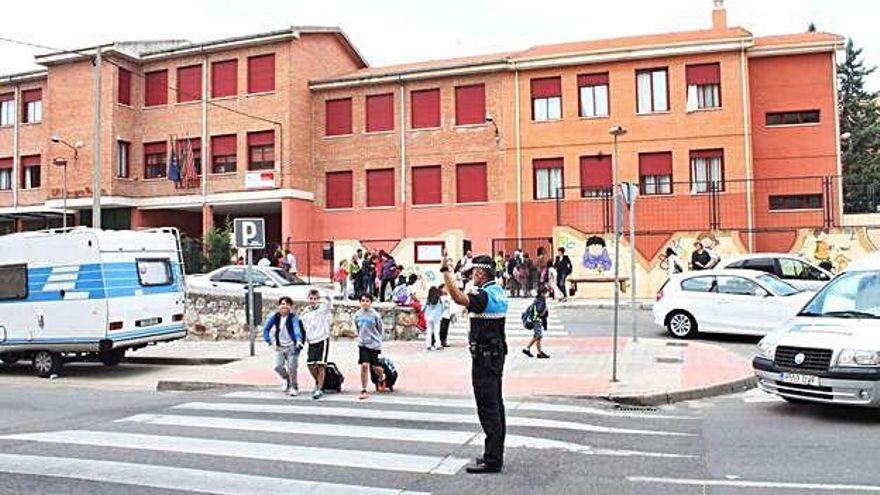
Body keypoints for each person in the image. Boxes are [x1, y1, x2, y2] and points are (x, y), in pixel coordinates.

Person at [441, 253, 508, 474]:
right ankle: (494, 454)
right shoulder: (498, 291)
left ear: (480, 273)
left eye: (473, 273)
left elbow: (458, 297)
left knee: (488, 407)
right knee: (497, 405)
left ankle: (492, 460)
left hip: (485, 358)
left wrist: (445, 272)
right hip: (496, 354)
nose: (472, 276)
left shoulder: (483, 295)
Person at [262, 296, 306, 396]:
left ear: (290, 307)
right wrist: (270, 342)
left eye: (286, 304)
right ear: (279, 306)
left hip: (292, 346)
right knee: (278, 366)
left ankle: (294, 387)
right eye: (282, 304)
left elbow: (297, 329)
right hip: (280, 347)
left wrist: (299, 340)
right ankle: (286, 379)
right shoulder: (275, 317)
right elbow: (266, 330)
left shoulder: (293, 318)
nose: (284, 306)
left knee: (292, 368)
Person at [301, 289, 333, 399]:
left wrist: (327, 297)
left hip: (322, 339)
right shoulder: (305, 312)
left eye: (315, 299)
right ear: (308, 299)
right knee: (310, 364)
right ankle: (318, 381)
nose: (313, 301)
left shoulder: (323, 309)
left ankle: (319, 387)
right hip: (311, 341)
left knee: (321, 364)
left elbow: (329, 305)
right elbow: (303, 328)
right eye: (311, 298)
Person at [353, 293, 386, 400]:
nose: (365, 303)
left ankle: (382, 377)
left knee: (375, 367)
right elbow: (358, 329)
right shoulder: (357, 315)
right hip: (363, 344)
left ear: (371, 302)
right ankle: (364, 389)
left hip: (374, 344)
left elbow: (380, 329)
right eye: (363, 301)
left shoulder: (375, 315)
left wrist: (379, 340)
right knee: (364, 365)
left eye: (367, 301)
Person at [522, 286, 550, 359]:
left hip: (535, 320)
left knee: (538, 336)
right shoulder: (541, 301)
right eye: (546, 293)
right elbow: (540, 312)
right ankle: (529, 349)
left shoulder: (537, 299)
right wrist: (545, 310)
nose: (547, 294)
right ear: (542, 293)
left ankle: (537, 352)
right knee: (538, 336)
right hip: (536, 320)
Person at [424, 286, 444, 351]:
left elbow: (423, 308)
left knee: (429, 331)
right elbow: (442, 308)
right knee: (436, 331)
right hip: (437, 317)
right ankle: (438, 344)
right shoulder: (439, 299)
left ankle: (428, 345)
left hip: (428, 317)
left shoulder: (428, 300)